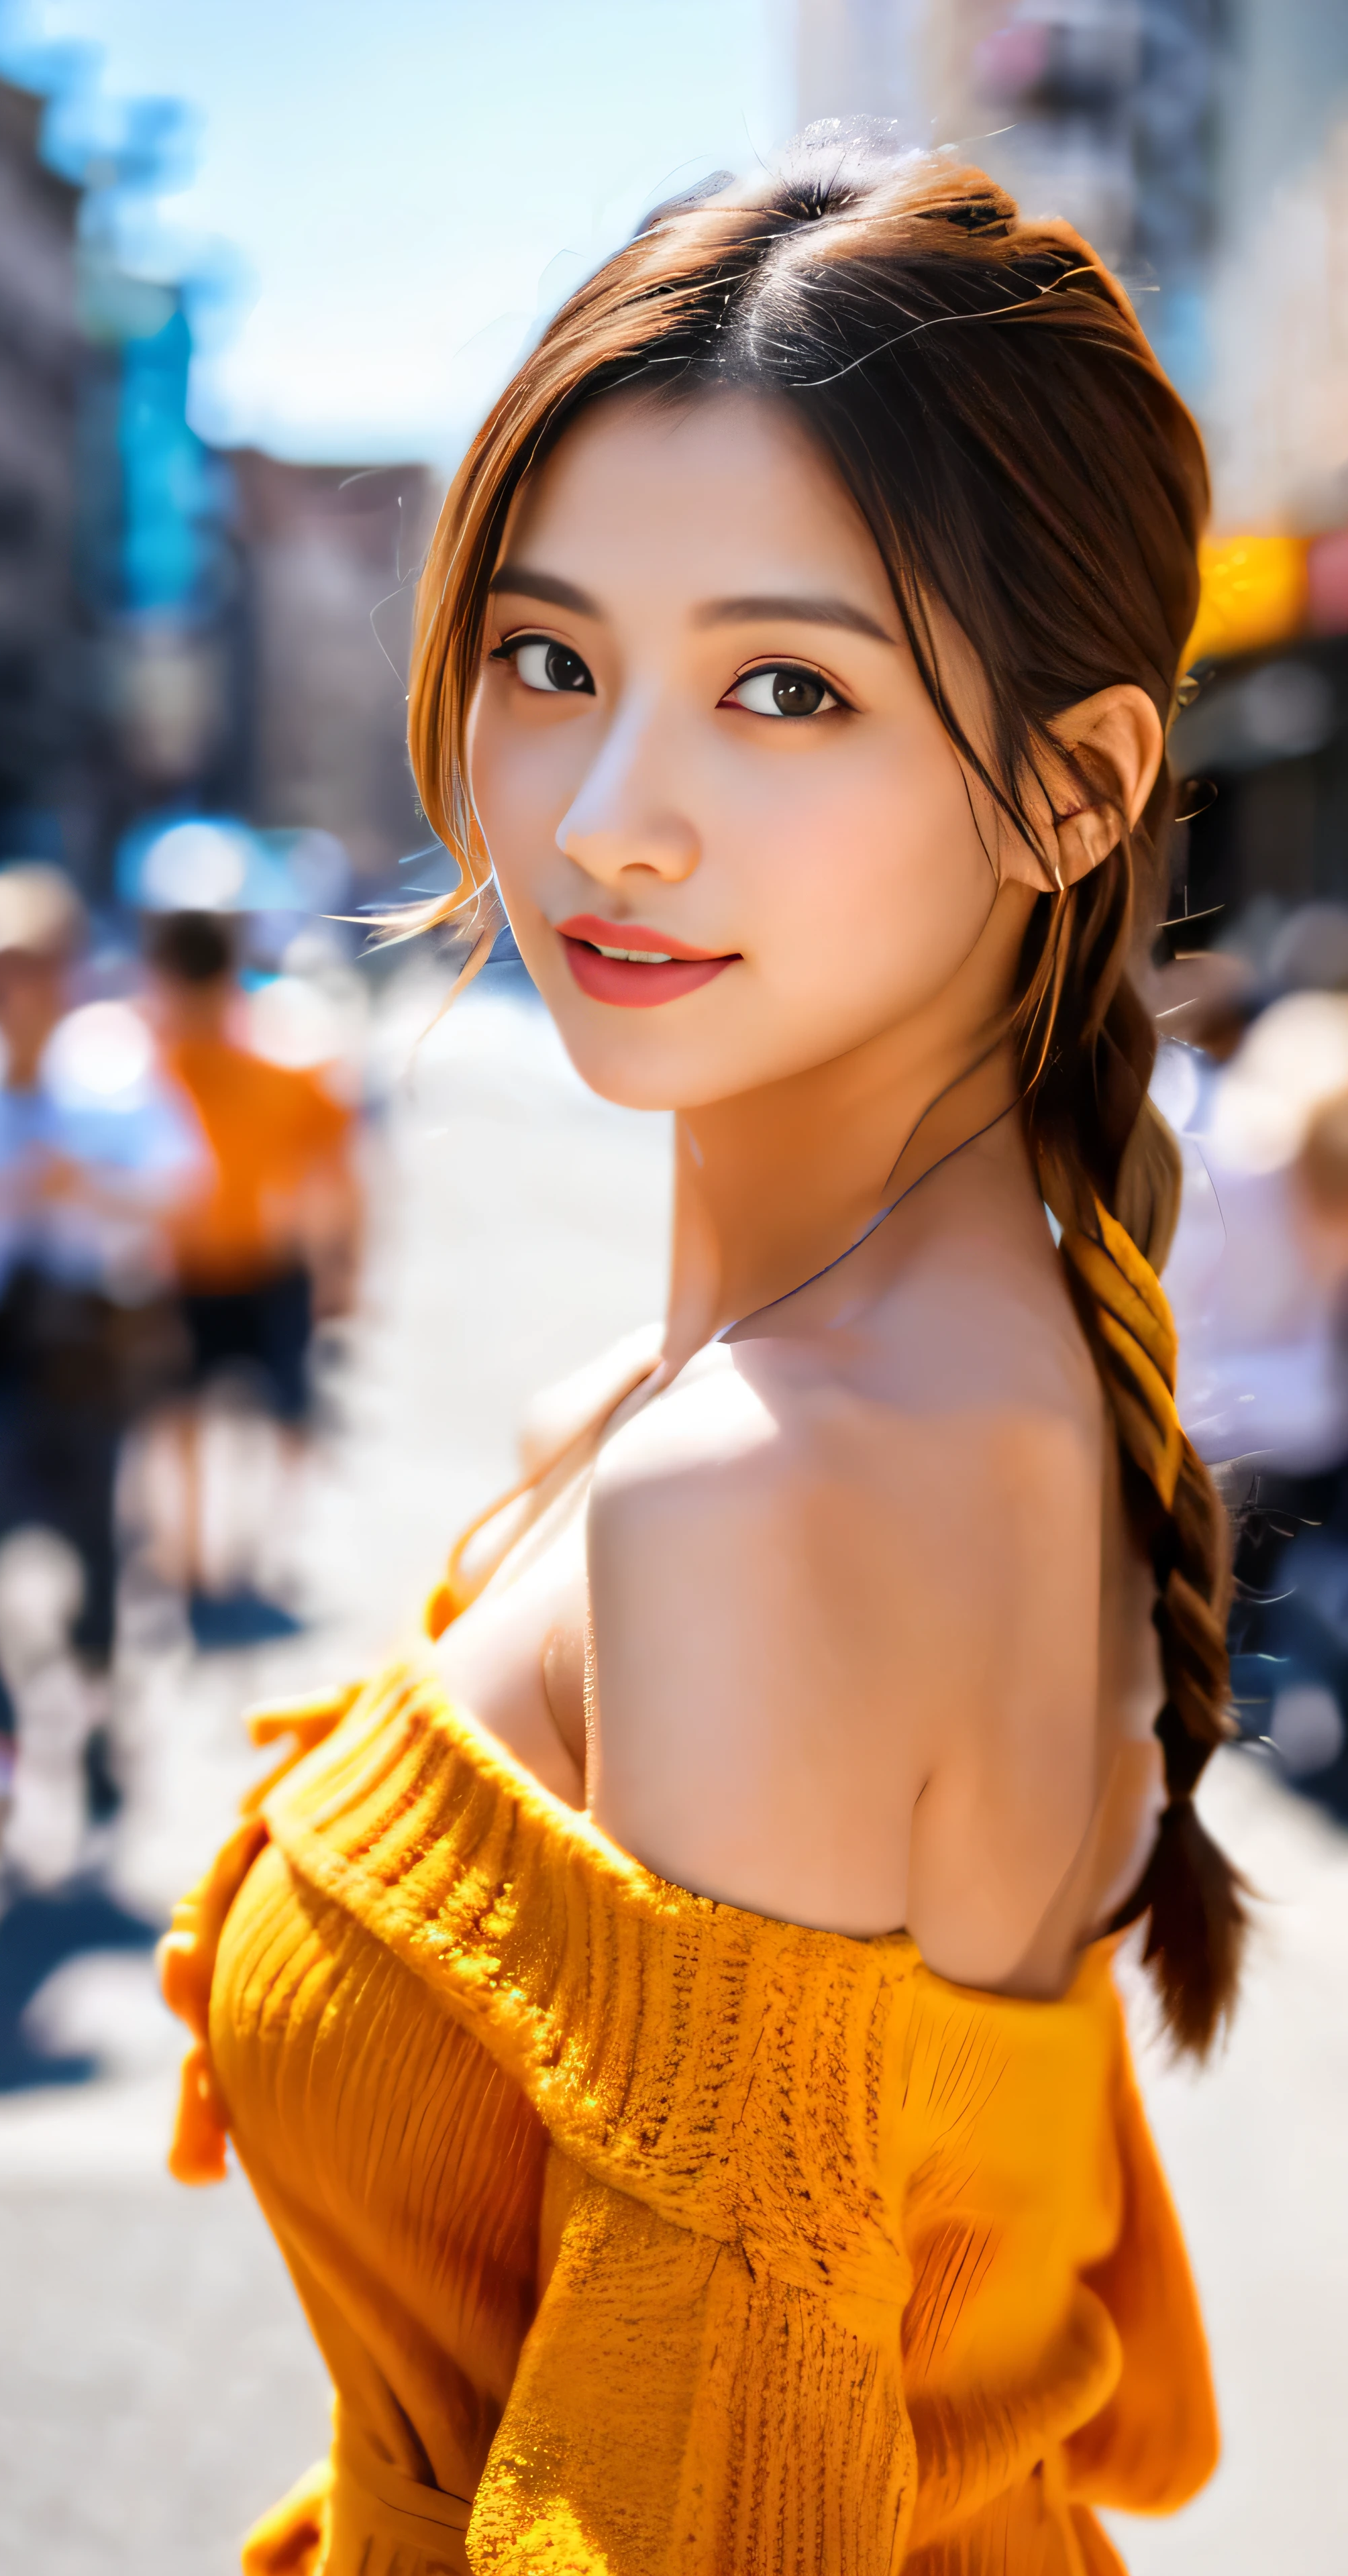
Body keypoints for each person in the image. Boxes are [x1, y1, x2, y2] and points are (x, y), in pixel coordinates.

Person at [162, 141, 1241, 2574]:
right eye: (548, 660)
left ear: (1069, 790)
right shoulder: (780, 1407)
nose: (605, 819)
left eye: (784, 690)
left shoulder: (773, 1495)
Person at [0, 863, 199, 1849]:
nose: (3, 990)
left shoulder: (114, 1067)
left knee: (95, 1554)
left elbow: (182, 1189)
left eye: (24, 965)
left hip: (88, 1349)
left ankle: (100, 1711)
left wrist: (88, 1186)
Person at [142, 907, 362, 1643]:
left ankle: (256, 1553)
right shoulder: (141, 1067)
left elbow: (335, 1169)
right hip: (179, 1270)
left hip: (266, 1265)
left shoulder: (279, 1065)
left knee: (284, 1421)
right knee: (179, 1420)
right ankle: (194, 1558)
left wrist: (338, 1265)